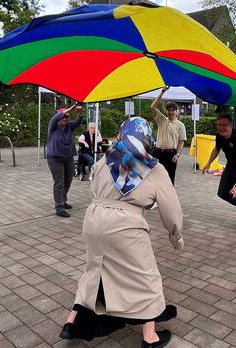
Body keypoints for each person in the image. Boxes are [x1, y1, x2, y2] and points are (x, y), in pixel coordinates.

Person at [59, 117, 183, 348]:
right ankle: (150, 336)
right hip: (125, 226)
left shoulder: (105, 160)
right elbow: (172, 210)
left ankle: (72, 323)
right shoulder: (155, 169)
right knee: (146, 277)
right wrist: (176, 236)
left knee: (94, 271)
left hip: (93, 219)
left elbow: (93, 190)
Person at [203, 114, 236, 232]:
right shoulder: (219, 136)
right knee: (222, 192)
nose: (221, 128)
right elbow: (216, 149)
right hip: (231, 165)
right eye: (219, 125)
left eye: (225, 125)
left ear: (231, 125)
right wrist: (208, 163)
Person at [46, 103, 83, 217]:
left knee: (68, 180)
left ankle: (63, 200)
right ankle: (59, 207)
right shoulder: (53, 126)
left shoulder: (69, 126)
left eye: (67, 117)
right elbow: (55, 118)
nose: (65, 119)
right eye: (63, 116)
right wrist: (69, 109)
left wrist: (80, 113)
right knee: (59, 182)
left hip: (68, 157)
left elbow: (78, 122)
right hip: (55, 157)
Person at [150, 86, 186, 185]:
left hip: (171, 155)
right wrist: (162, 92)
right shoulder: (161, 119)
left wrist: (177, 155)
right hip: (158, 153)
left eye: (173, 110)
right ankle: (155, 198)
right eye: (169, 110)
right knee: (155, 177)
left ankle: (169, 199)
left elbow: (181, 142)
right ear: (166, 111)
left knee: (170, 178)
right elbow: (152, 107)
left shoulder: (180, 125)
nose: (170, 112)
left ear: (176, 112)